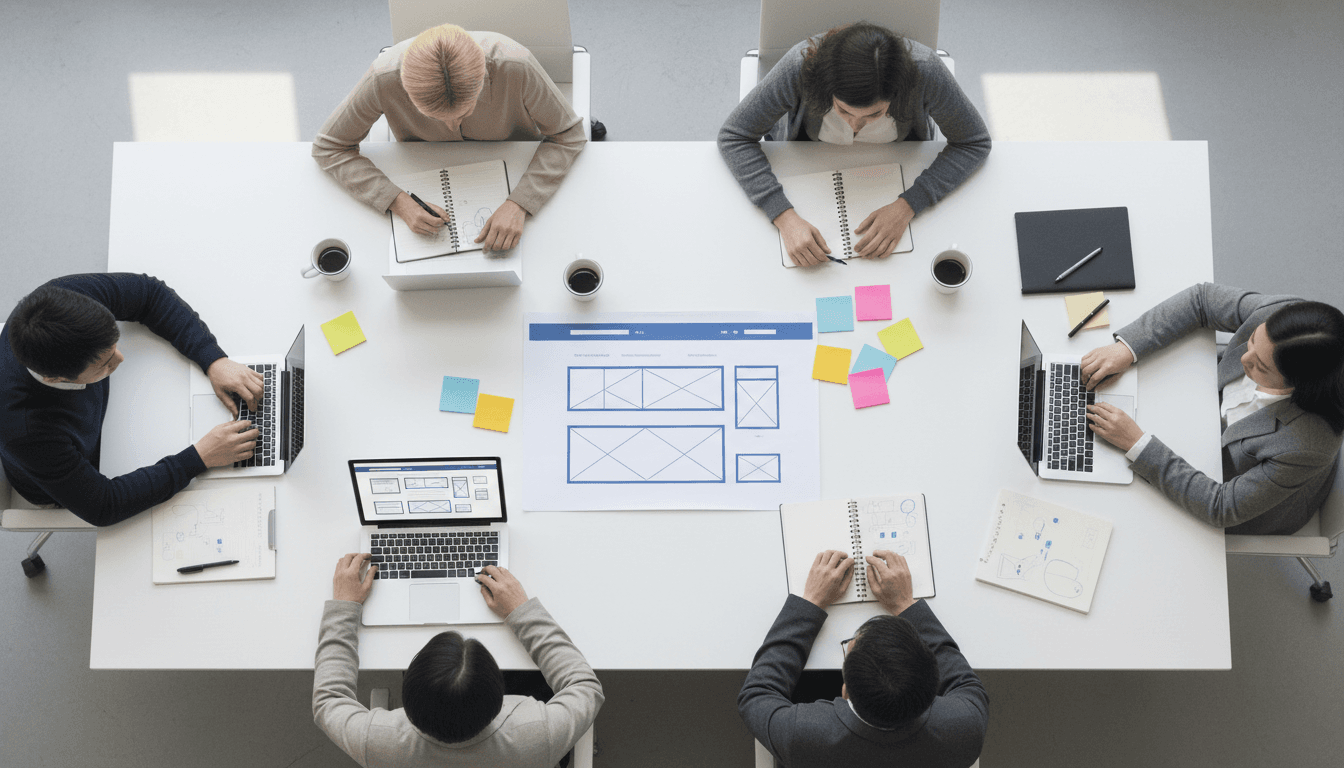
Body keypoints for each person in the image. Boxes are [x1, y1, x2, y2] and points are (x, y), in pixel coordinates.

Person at [718, 22, 991, 268]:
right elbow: (734, 136)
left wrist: (909, 204)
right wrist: (784, 216)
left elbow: (974, 142)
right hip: (805, 165)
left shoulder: (926, 72)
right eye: (843, 111)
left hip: (898, 169)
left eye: (874, 114)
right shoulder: (800, 67)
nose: (855, 126)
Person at [0, 273, 263, 526]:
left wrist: (213, 359)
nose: (120, 360)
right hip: (79, 468)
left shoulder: (63, 299)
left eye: (114, 344)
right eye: (105, 363)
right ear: (55, 379)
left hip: (113, 412)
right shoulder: (24, 430)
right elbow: (104, 504)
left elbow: (149, 294)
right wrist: (200, 457)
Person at [1083, 283, 1344, 535]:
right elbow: (1202, 299)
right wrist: (1126, 349)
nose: (1243, 358)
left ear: (1299, 386)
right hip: (1202, 423)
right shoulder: (1280, 318)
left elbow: (1222, 507)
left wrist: (1136, 443)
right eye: (1252, 340)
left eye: (1260, 367)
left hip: (1238, 495)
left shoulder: (1307, 444)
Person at [313, 24, 587, 253]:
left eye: (465, 112)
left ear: (482, 80)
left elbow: (568, 135)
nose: (451, 125)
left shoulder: (516, 66)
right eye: (433, 116)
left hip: (518, 166)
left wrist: (520, 203)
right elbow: (329, 147)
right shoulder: (383, 78)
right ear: (404, 88)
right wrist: (398, 201)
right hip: (424, 171)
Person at [314, 554, 603, 768]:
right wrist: (521, 611)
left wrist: (344, 605)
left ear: (409, 705)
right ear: (499, 700)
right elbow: (585, 687)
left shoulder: (378, 742)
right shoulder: (539, 734)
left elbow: (329, 701)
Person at [739, 549, 987, 768]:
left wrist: (810, 602)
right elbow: (965, 682)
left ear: (844, 691)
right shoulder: (965, 729)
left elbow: (757, 694)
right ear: (935, 684)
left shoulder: (802, 736)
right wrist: (905, 603)